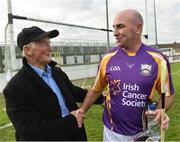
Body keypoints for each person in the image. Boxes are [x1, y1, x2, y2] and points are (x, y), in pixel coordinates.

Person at [76, 9, 175, 141]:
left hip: (144, 134)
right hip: (112, 134)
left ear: (138, 28)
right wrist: (81, 110)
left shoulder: (158, 60)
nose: (115, 33)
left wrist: (159, 110)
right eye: (114, 28)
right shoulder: (108, 58)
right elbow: (96, 89)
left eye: (120, 26)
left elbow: (168, 94)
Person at [3, 26, 103, 141]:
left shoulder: (56, 72)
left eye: (49, 43)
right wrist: (72, 121)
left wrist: (102, 97)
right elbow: (31, 132)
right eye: (44, 43)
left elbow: (74, 92)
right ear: (27, 50)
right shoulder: (15, 88)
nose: (50, 48)